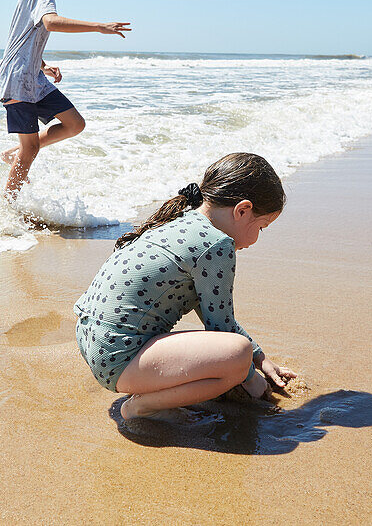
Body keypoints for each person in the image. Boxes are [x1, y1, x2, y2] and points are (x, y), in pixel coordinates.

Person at [74, 152, 297, 422]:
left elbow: (216, 316)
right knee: (237, 356)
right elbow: (221, 329)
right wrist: (252, 381)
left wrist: (261, 359)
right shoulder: (217, 245)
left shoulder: (180, 221)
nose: (256, 239)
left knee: (241, 353)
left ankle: (150, 391)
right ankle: (142, 407)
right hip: (118, 360)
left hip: (93, 343)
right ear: (243, 210)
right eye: (261, 227)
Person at [0, 0, 131, 200]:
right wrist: (98, 27)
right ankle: (7, 207)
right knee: (31, 147)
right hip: (17, 79)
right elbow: (50, 22)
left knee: (75, 123)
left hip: (31, 75)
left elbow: (23, 34)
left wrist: (42, 65)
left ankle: (14, 152)